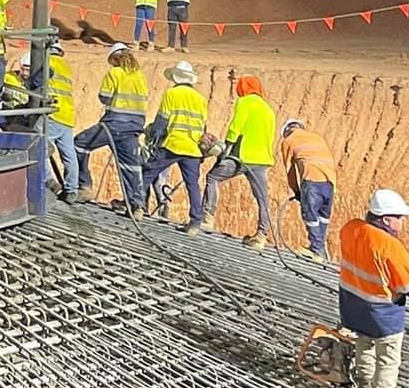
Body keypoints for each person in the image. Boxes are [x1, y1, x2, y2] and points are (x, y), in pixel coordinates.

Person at [337, 189, 409, 388]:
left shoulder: (350, 228)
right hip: (382, 312)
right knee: (388, 359)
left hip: (353, 306)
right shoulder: (389, 245)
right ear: (385, 219)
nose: (402, 222)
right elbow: (407, 286)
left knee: (364, 344)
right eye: (399, 217)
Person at [202, 74, 275, 244]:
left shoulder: (245, 102)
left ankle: (208, 217)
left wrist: (225, 150)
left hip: (241, 157)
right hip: (262, 161)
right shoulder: (268, 110)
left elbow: (236, 128)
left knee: (212, 177)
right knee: (262, 199)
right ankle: (262, 235)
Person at [74, 44, 149, 207]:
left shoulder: (114, 72)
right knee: (130, 164)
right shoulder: (140, 76)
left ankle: (84, 186)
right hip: (134, 126)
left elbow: (105, 97)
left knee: (80, 144)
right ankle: (136, 204)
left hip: (114, 123)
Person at [140, 60, 208, 228]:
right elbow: (203, 127)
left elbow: (162, 121)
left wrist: (153, 139)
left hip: (173, 144)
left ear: (176, 78)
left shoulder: (172, 94)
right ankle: (195, 221)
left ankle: (136, 206)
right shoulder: (200, 99)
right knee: (192, 185)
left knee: (147, 173)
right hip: (193, 148)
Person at [20, 40, 78, 200]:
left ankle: (49, 181)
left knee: (38, 143)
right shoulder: (66, 67)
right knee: (68, 154)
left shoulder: (49, 62)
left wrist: (29, 84)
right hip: (67, 115)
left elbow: (38, 80)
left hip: (52, 114)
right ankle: (72, 189)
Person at [280, 116, 337, 259]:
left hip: (312, 180)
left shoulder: (288, 141)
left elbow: (290, 170)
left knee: (310, 214)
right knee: (323, 216)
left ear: (287, 131)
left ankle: (317, 249)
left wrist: (296, 191)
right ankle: (320, 248)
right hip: (329, 181)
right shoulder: (317, 138)